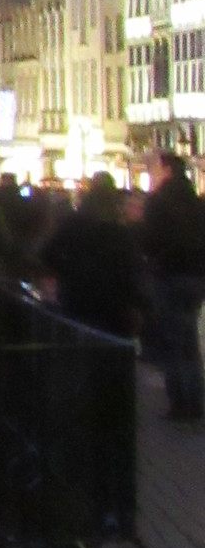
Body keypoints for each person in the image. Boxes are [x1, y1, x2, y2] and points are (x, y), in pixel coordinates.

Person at [141, 152, 205, 422]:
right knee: (189, 339)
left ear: (166, 170)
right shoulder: (197, 202)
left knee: (172, 341)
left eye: (154, 168)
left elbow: (149, 242)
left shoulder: (157, 202)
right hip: (195, 277)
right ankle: (196, 399)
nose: (152, 173)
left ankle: (180, 402)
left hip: (168, 275)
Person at [39, 173, 142, 340]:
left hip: (77, 296)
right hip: (114, 302)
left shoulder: (73, 224)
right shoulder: (119, 229)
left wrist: (66, 271)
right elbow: (131, 267)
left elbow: (48, 254)